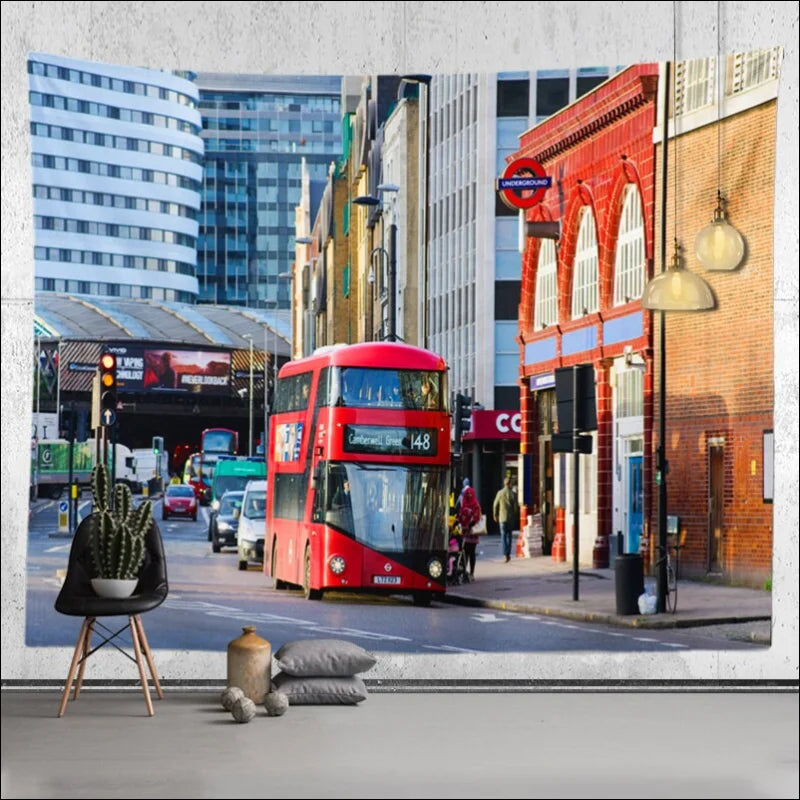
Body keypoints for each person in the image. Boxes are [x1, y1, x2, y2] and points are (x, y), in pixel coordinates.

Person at [456, 485, 482, 579]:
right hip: (464, 532)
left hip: (472, 533)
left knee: (471, 553)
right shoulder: (464, 503)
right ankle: (464, 572)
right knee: (464, 553)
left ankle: (471, 573)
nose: (469, 495)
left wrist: (469, 525)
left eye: (471, 494)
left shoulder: (475, 504)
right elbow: (460, 515)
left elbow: (476, 517)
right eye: (468, 494)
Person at [493, 477, 520, 563]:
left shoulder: (500, 493)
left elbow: (495, 505)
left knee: (503, 537)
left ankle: (505, 554)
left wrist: (495, 515)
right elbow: (516, 508)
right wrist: (514, 516)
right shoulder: (513, 494)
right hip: (510, 519)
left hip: (502, 518)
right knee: (509, 537)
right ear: (509, 484)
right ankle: (508, 553)